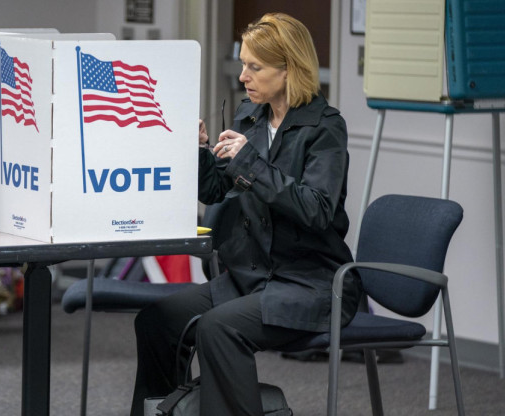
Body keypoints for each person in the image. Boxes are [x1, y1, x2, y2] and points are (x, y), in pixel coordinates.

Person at [131, 13, 363, 416]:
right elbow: (215, 190)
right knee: (157, 321)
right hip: (252, 277)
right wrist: (200, 151)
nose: (243, 76)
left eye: (254, 67)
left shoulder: (325, 128)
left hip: (310, 283)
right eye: (243, 65)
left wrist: (249, 162)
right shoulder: (249, 116)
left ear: (289, 69)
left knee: (218, 328)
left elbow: (317, 210)